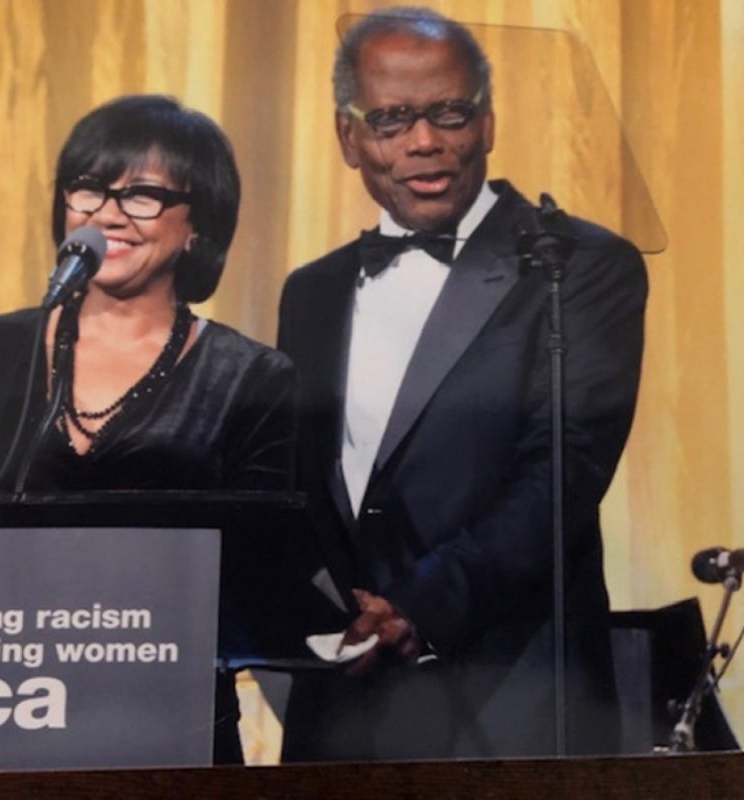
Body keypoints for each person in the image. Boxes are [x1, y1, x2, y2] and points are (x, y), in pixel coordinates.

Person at [277, 8, 648, 760]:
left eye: (449, 113)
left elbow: (560, 475)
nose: (424, 142)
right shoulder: (308, 292)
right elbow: (304, 492)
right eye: (391, 119)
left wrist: (417, 608)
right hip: (346, 708)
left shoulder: (576, 264)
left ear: (487, 123)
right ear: (349, 138)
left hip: (513, 696)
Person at [0, 94, 298, 764]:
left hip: (161, 722)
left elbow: (263, 571)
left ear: (199, 225)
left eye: (141, 195)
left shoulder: (252, 378)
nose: (107, 213)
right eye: (88, 189)